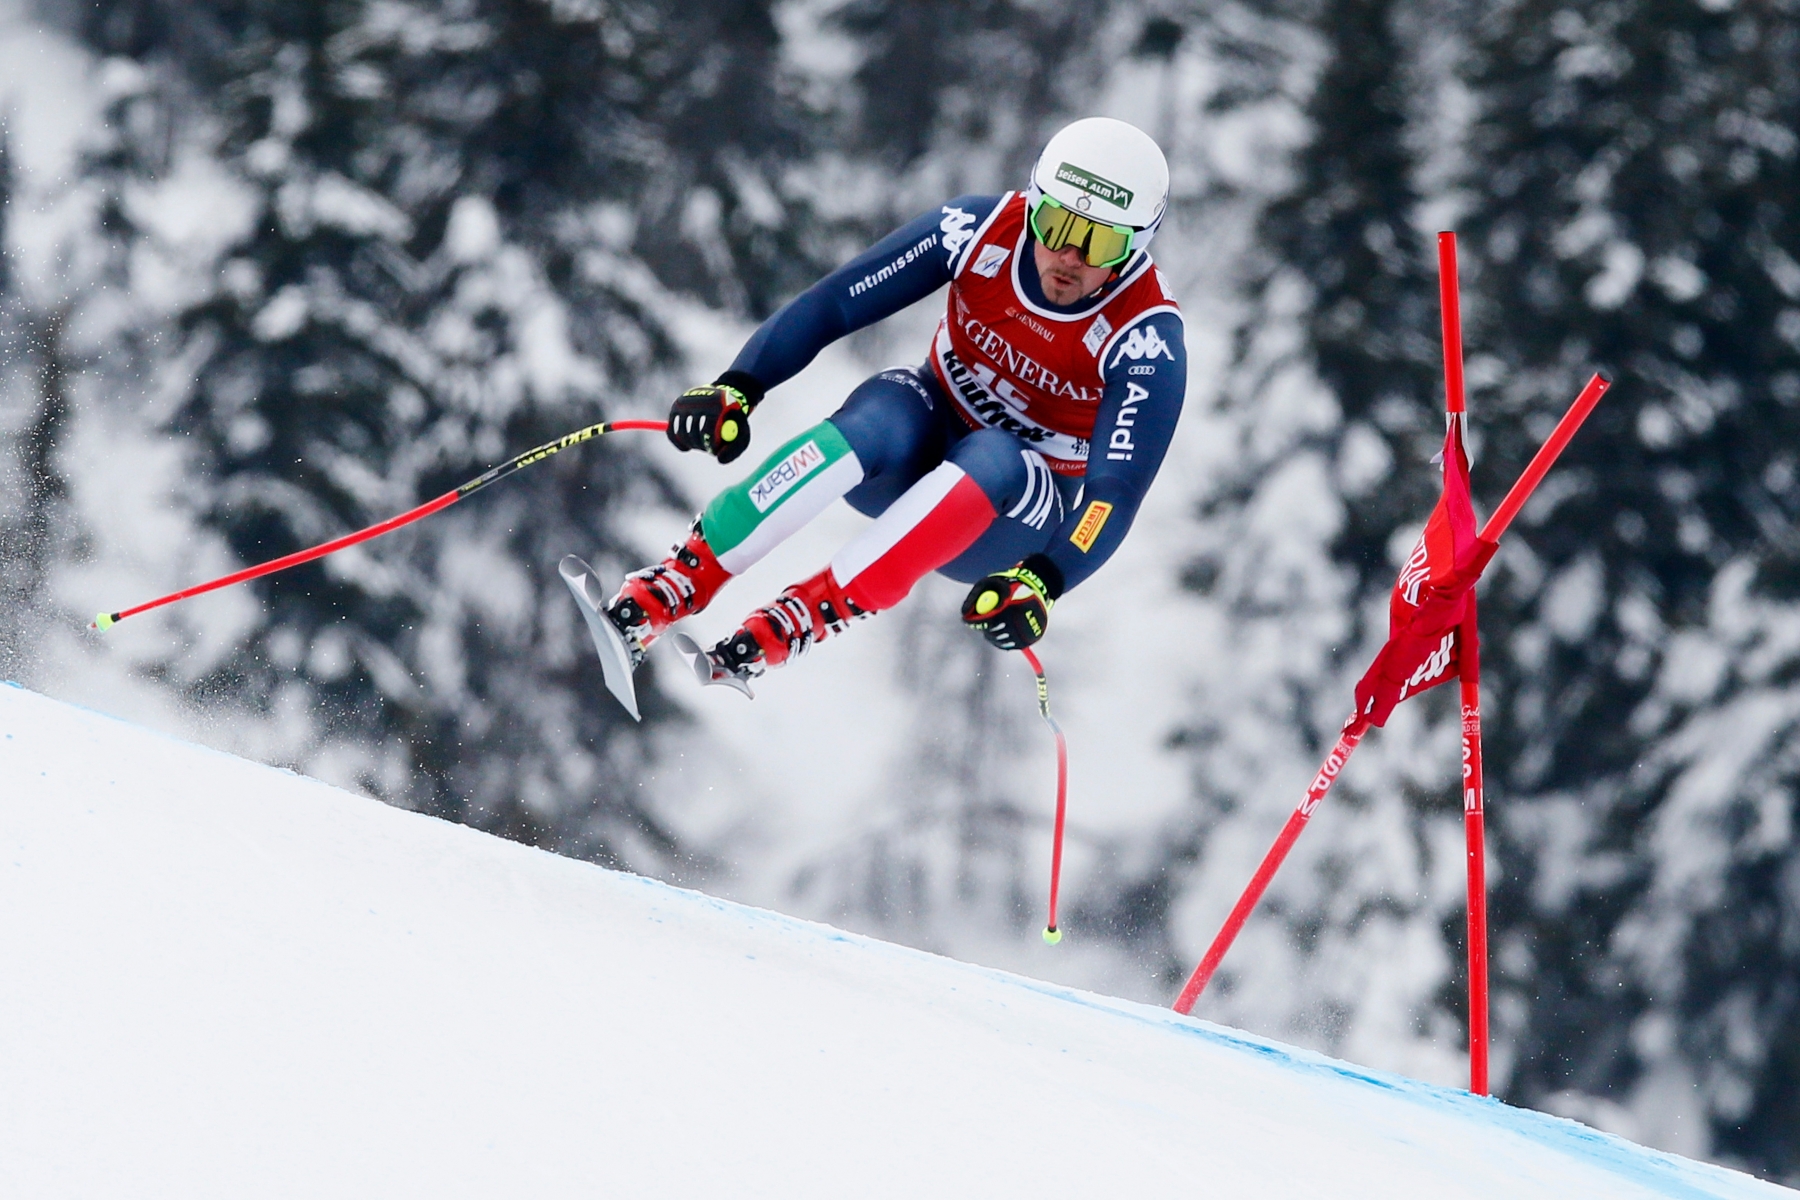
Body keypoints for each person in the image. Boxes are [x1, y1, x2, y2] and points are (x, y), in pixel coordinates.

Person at [565, 116, 1186, 715]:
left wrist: (1047, 578)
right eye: (1053, 224)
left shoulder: (1146, 336)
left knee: (997, 453)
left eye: (1098, 241)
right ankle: (670, 586)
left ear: (1135, 245)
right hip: (915, 450)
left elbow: (1113, 494)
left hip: (1006, 520)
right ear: (1033, 202)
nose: (1067, 256)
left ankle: (798, 620)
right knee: (885, 405)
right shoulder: (977, 228)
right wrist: (739, 385)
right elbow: (837, 302)